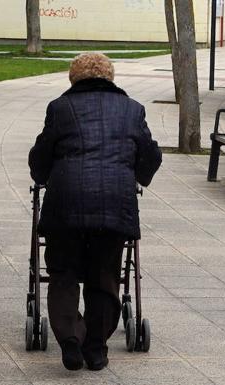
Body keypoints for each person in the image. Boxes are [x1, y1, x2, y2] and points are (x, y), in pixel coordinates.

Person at [29, 53, 162, 371]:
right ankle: (97, 348)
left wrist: (43, 176)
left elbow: (40, 157)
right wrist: (137, 176)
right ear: (110, 77)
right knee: (105, 275)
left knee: (63, 273)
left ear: (73, 78)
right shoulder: (133, 109)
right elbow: (151, 156)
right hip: (113, 207)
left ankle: (71, 340)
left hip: (65, 205)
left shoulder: (60, 108)